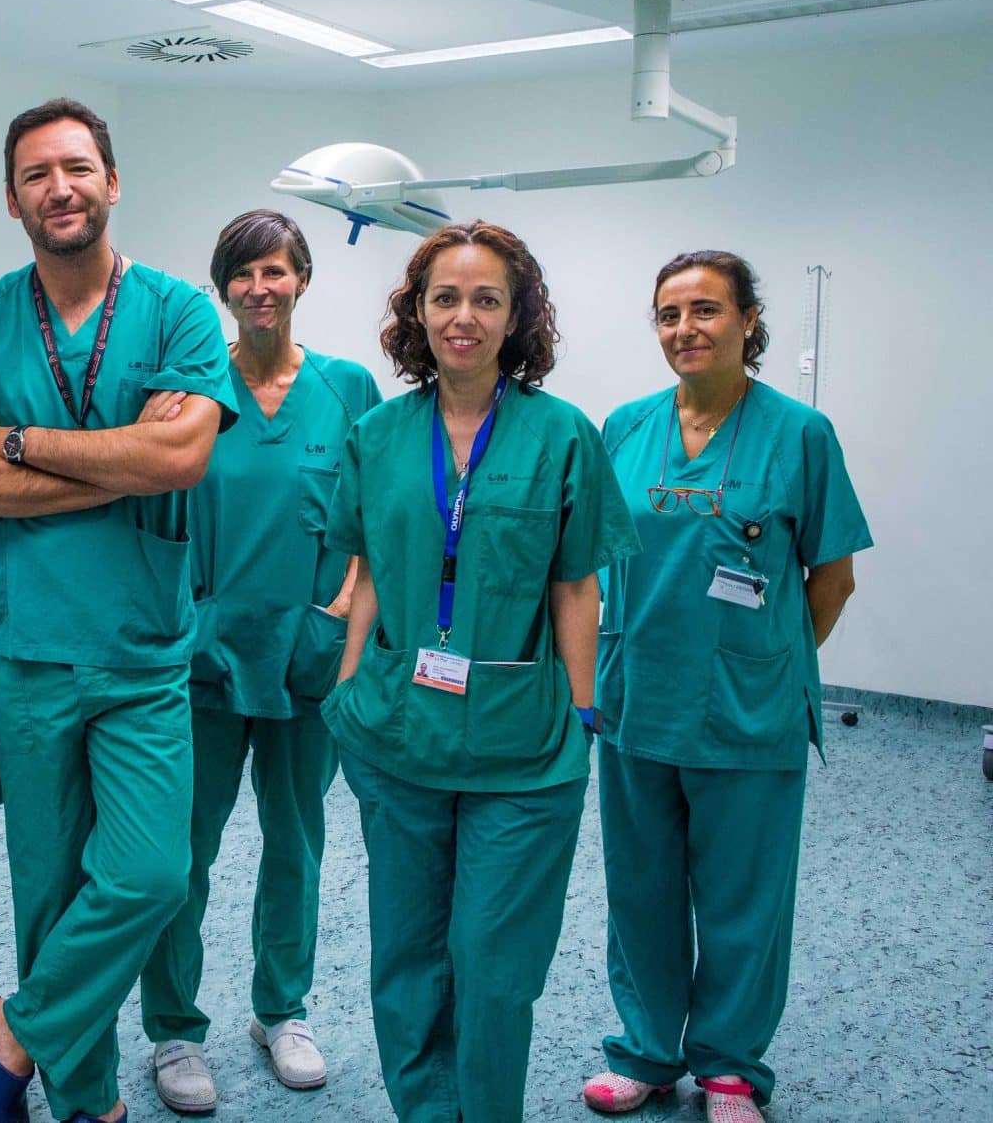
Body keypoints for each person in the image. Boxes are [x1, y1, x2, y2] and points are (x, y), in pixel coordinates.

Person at [0, 98, 237, 1123]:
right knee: (48, 893)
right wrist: (117, 467)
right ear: (12, 200)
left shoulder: (179, 311)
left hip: (139, 648)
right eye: (37, 173)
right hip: (26, 646)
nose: (60, 187)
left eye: (77, 167)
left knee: (149, 873)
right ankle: (85, 1103)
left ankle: (7, 1030)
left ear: (111, 180)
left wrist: (19, 439)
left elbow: (180, 454)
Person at [323, 220, 638, 1123]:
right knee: (408, 958)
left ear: (516, 316)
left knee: (495, 965)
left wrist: (580, 715)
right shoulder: (380, 434)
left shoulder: (562, 435)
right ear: (418, 312)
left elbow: (578, 587)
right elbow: (372, 572)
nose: (464, 316)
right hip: (397, 733)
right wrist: (350, 690)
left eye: (486, 298)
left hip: (523, 746)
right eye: (445, 297)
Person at [581, 251, 868, 1123]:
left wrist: (763, 665)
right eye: (669, 314)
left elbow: (832, 580)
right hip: (636, 698)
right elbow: (590, 564)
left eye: (706, 310)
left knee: (743, 900)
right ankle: (647, 1052)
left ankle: (731, 1069)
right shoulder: (624, 428)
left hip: (750, 712)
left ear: (748, 320)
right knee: (641, 890)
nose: (685, 329)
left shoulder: (800, 433)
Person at [136, 210, 380, 1114]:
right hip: (203, 656)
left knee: (297, 840)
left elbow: (377, 510)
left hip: (307, 653)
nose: (260, 289)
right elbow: (154, 502)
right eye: (243, 275)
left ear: (302, 279)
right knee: (182, 851)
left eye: (276, 271)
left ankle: (282, 1009)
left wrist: (348, 600)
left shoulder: (349, 387)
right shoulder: (195, 390)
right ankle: (174, 1029)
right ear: (223, 289)